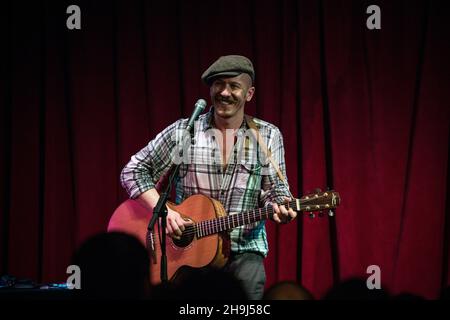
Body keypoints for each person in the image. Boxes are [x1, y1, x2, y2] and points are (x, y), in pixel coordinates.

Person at [120, 55, 297, 300]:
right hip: (187, 261)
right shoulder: (185, 131)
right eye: (218, 84)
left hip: (244, 255)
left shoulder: (267, 135)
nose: (224, 92)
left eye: (234, 86)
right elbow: (133, 171)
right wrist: (165, 213)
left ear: (249, 93)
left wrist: (282, 207)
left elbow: (276, 190)